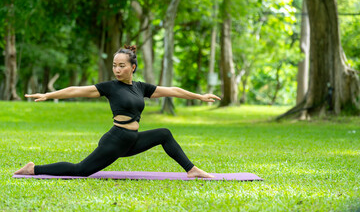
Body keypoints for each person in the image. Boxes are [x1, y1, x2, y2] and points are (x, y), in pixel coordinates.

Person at [14, 45, 221, 178]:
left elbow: (172, 90)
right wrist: (49, 95)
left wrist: (199, 96)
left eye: (122, 66)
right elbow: (76, 90)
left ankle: (192, 170)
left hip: (132, 140)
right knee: (81, 170)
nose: (117, 69)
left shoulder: (141, 87)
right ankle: (34, 168)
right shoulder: (110, 87)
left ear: (133, 67)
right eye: (114, 66)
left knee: (164, 134)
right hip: (115, 140)